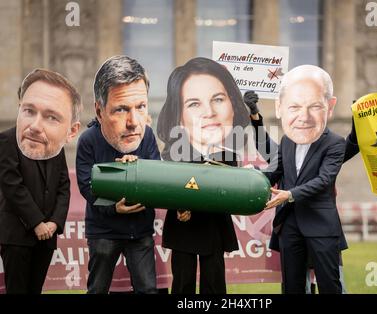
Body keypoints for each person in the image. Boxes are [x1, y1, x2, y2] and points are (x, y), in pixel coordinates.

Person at [157, 57, 250, 294]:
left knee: (214, 284)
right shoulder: (170, 154)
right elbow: (165, 187)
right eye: (194, 104)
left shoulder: (229, 155)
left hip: (213, 229)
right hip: (183, 229)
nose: (209, 112)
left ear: (232, 104)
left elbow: (229, 191)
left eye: (218, 99)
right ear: (179, 115)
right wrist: (180, 206)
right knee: (183, 283)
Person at [244, 90, 348, 294]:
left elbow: (324, 180)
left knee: (330, 286)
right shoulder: (287, 140)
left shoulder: (335, 142)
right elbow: (275, 171)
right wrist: (251, 179)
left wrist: (289, 194)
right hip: (289, 226)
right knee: (292, 288)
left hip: (321, 225)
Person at [76, 55, 160, 294]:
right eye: (122, 109)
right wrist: (113, 207)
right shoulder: (88, 141)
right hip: (103, 232)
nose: (134, 122)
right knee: (97, 289)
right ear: (99, 111)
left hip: (140, 231)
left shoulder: (148, 135)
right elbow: (86, 185)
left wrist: (139, 168)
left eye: (141, 107)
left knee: (148, 290)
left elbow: (157, 175)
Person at [0, 69, 82, 293]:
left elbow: (64, 187)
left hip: (46, 238)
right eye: (29, 110)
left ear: (71, 131)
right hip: (17, 235)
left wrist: (54, 223)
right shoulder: (6, 140)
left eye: (51, 117)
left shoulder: (56, 148)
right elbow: (12, 186)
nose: (36, 125)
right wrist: (37, 223)